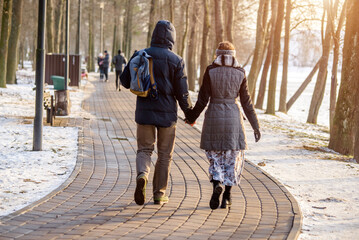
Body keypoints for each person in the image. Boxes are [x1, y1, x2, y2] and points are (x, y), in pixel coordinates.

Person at [120, 20, 193, 205]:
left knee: (144, 149)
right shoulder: (176, 60)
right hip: (168, 115)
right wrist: (189, 113)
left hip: (144, 113)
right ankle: (159, 193)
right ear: (172, 38)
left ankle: (142, 175)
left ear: (153, 35)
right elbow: (182, 92)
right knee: (164, 154)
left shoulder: (141, 54)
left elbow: (125, 81)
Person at [185, 41, 261, 210]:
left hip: (214, 117)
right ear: (233, 55)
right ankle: (227, 196)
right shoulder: (240, 72)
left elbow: (203, 99)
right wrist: (256, 125)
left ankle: (216, 183)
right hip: (234, 119)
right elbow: (246, 102)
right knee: (232, 159)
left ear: (217, 54)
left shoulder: (211, 70)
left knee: (215, 157)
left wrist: (191, 117)